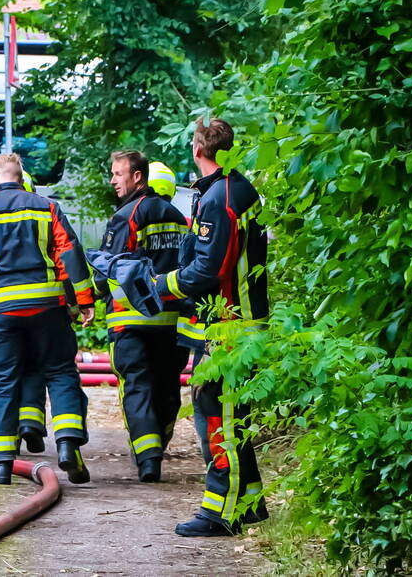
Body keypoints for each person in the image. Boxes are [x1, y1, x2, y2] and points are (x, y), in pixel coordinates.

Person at [154, 117, 269, 537]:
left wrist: (160, 284)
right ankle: (250, 501)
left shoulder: (220, 197)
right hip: (238, 322)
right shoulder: (235, 188)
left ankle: (222, 511)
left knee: (220, 415)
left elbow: (210, 267)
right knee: (225, 412)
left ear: (197, 150)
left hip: (231, 327)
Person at [0, 153, 95, 486]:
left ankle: (2, 465)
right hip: (48, 308)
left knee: (2, 383)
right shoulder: (46, 207)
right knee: (61, 373)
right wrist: (84, 300)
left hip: (2, 314)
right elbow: (69, 253)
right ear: (21, 176)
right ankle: (67, 445)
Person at [94, 152, 188, 483]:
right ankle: (158, 445)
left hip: (130, 320)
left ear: (138, 177)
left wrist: (94, 291)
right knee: (166, 385)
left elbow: (112, 265)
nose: (113, 180)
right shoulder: (179, 218)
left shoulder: (126, 215)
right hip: (171, 320)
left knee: (136, 385)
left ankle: (148, 457)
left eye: (118, 174)